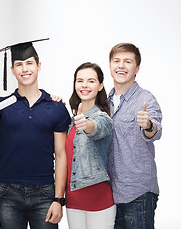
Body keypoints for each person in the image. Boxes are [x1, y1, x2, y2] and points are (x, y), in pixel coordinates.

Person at [0, 39, 71, 229]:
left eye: (29, 63)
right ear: (12, 69)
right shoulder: (1, 103)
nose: (25, 69)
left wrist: (59, 198)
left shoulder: (56, 108)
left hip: (45, 192)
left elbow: (61, 155)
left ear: (39, 66)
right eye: (19, 64)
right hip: (8, 192)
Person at [107, 43, 163, 229]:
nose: (121, 66)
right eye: (117, 61)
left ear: (136, 68)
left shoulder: (145, 99)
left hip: (138, 193)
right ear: (110, 65)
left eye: (127, 61)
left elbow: (155, 131)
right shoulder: (104, 102)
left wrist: (148, 125)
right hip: (109, 194)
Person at [65, 62, 116, 229]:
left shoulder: (103, 118)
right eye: (80, 81)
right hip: (73, 200)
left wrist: (86, 123)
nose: (84, 85)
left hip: (98, 200)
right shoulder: (71, 123)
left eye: (91, 81)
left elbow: (95, 128)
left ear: (100, 85)